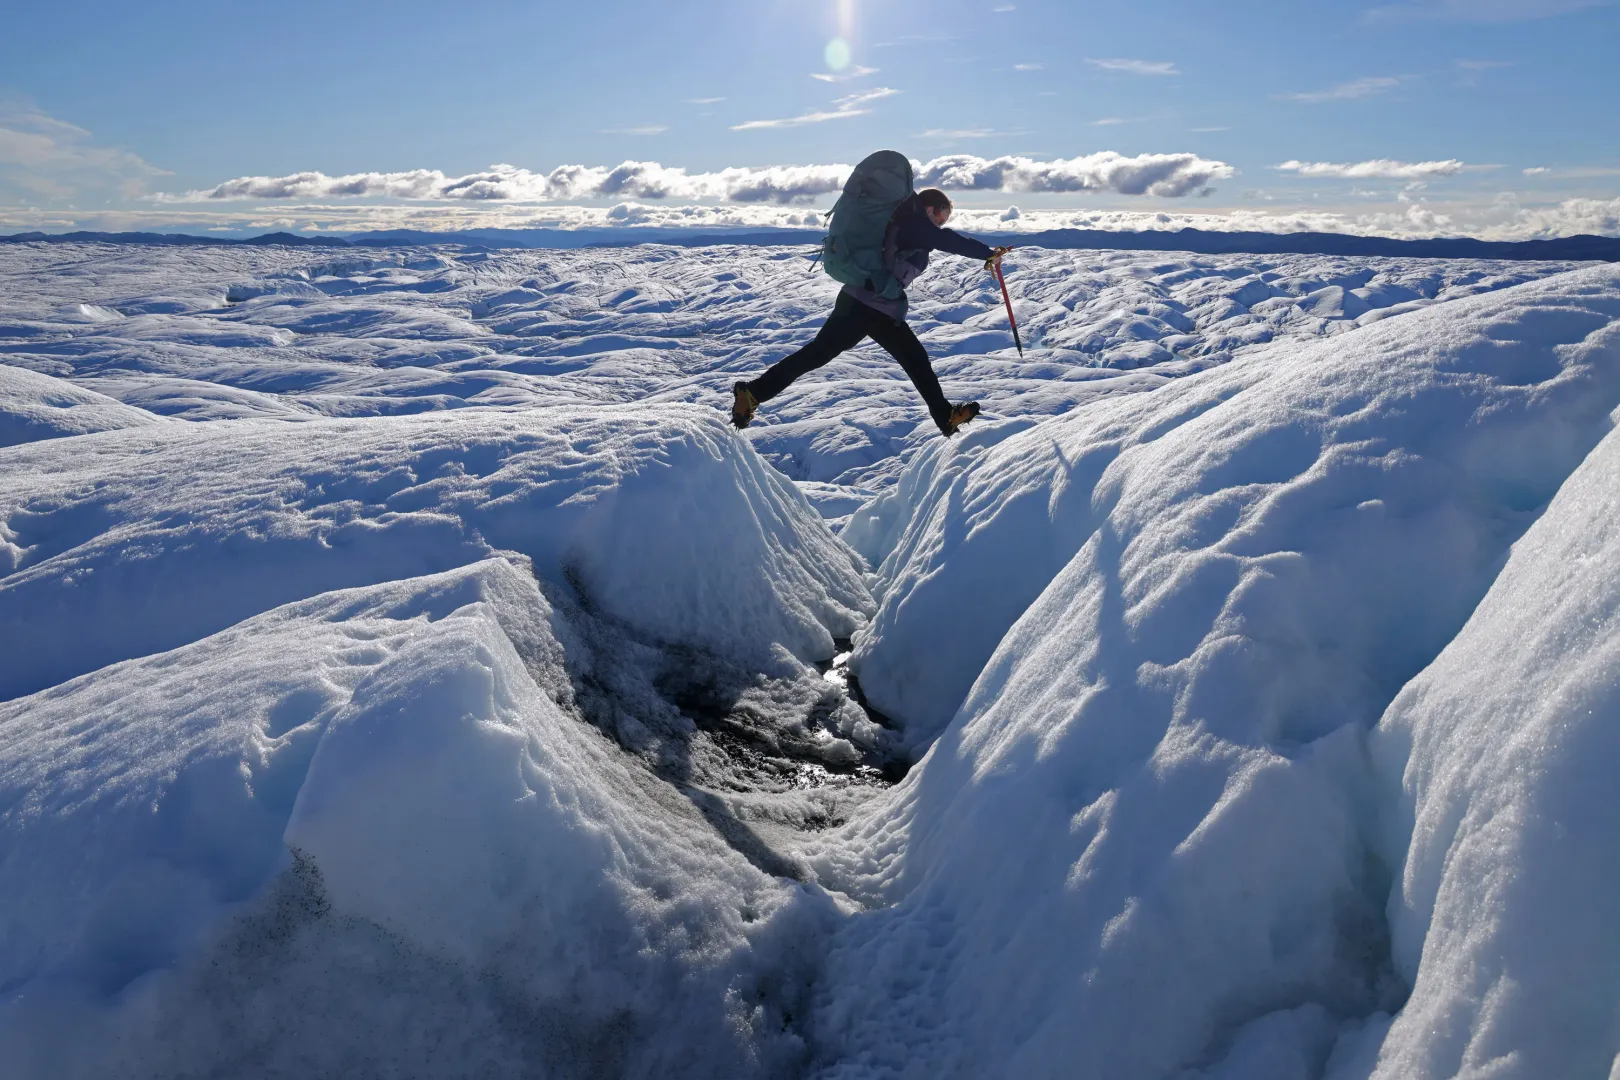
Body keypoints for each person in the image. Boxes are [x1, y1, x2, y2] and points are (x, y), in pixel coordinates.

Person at [731, 187, 1010, 436]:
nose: (939, 225)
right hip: (868, 306)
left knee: (900, 358)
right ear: (929, 210)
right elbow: (948, 241)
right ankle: (752, 392)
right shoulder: (915, 223)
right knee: (903, 359)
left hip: (867, 303)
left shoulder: (907, 222)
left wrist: (985, 252)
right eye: (940, 218)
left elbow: (942, 238)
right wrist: (986, 253)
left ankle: (752, 393)